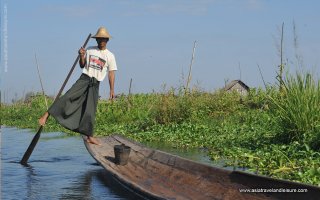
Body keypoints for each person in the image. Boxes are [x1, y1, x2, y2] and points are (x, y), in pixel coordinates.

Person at [38, 27, 117, 145]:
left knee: (90, 111)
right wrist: (81, 55)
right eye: (99, 39)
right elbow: (82, 65)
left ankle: (89, 136)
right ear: (96, 40)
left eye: (104, 39)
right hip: (84, 79)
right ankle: (45, 115)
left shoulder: (110, 56)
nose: (101, 41)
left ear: (107, 40)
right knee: (68, 97)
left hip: (95, 84)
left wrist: (112, 89)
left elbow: (111, 73)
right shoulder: (90, 50)